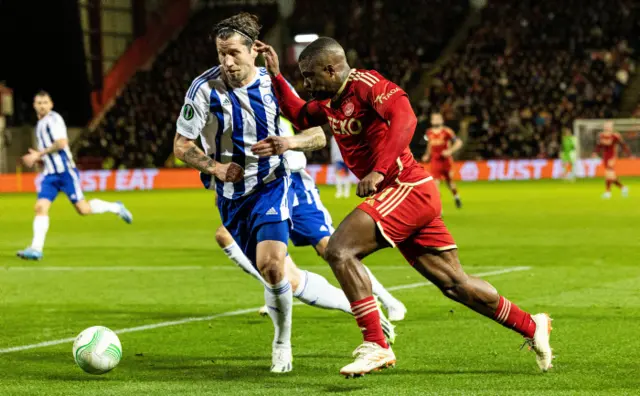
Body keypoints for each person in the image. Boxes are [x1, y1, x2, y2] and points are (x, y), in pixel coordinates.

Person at [254, 37, 553, 377]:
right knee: (455, 284)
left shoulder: (367, 85)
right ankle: (532, 325)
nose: (306, 85)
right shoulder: (329, 102)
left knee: (339, 250)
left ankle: (376, 344)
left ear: (331, 68)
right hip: (406, 195)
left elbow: (406, 119)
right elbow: (297, 113)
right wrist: (276, 75)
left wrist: (379, 169)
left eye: (309, 76)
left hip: (406, 186)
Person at [173, 13, 338, 373]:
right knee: (274, 275)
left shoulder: (272, 85)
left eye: (233, 53)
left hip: (272, 185)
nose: (226, 62)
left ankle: (282, 342)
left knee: (273, 266)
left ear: (253, 51)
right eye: (221, 54)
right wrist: (216, 168)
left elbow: (320, 133)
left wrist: (288, 142)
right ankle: (354, 302)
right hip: (231, 195)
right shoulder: (202, 89)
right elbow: (181, 145)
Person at [217, 117, 406, 324]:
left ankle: (388, 301)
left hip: (292, 182)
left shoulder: (271, 103)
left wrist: (289, 143)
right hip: (259, 189)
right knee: (227, 237)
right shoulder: (230, 111)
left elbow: (312, 133)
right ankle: (279, 288)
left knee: (331, 248)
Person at [17, 91, 132, 260]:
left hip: (65, 172)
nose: (42, 105)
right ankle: (36, 249)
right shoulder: (40, 124)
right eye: (39, 102)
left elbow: (62, 143)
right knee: (40, 207)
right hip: (50, 175)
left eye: (45, 102)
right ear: (34, 105)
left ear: (51, 105)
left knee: (83, 209)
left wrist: (39, 154)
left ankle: (116, 207)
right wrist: (41, 157)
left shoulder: (53, 120)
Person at [421, 113, 463, 208]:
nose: (436, 120)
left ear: (442, 120)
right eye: (434, 119)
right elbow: (430, 145)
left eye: (438, 118)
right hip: (435, 161)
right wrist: (427, 154)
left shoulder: (447, 131)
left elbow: (459, 142)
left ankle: (456, 197)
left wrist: (450, 150)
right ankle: (439, 209)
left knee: (450, 183)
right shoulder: (429, 132)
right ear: (431, 121)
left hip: (446, 161)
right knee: (435, 184)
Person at [593, 121, 632, 198]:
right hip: (605, 157)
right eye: (606, 125)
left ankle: (608, 192)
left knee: (608, 174)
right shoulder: (601, 135)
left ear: (612, 127)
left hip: (612, 156)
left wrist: (628, 154)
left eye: (609, 126)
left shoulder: (615, 136)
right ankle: (623, 188)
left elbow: (623, 144)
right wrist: (595, 152)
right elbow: (599, 146)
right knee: (611, 176)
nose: (607, 127)